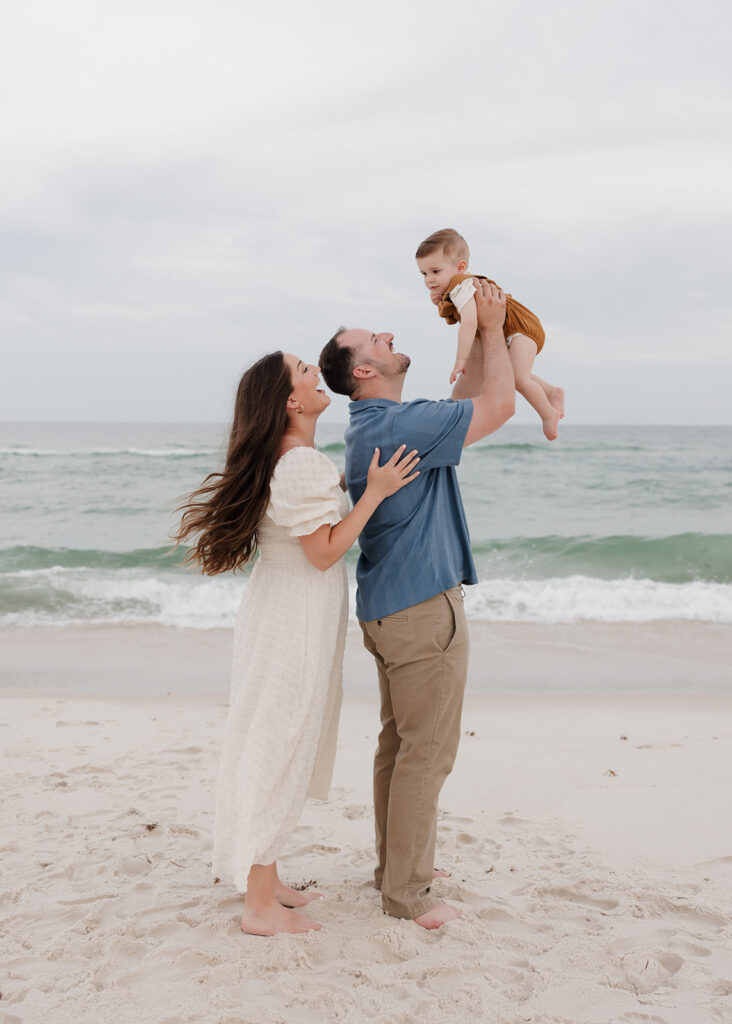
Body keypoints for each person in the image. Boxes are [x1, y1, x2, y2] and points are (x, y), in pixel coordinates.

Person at [173, 351, 419, 936]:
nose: (316, 375)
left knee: (271, 737)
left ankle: (268, 878)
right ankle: (260, 905)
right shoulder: (301, 462)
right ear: (291, 400)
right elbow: (325, 550)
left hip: (280, 608)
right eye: (306, 370)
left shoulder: (287, 458)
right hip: (295, 618)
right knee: (279, 743)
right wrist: (376, 493)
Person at [318, 280, 514, 929]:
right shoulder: (401, 425)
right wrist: (492, 327)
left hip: (388, 609)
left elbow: (466, 404)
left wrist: (485, 334)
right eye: (378, 339)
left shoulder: (377, 424)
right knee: (426, 753)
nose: (392, 335)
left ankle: (395, 868)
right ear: (366, 369)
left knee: (399, 748)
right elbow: (500, 406)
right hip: (420, 614)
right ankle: (406, 894)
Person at [416, 227, 564, 440]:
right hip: (515, 329)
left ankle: (548, 415)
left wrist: (461, 359)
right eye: (424, 274)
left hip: (520, 328)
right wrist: (441, 303)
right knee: (511, 374)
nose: (429, 280)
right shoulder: (456, 289)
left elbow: (468, 323)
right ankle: (552, 392)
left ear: (460, 267)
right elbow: (458, 317)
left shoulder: (462, 286)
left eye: (436, 272)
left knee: (520, 380)